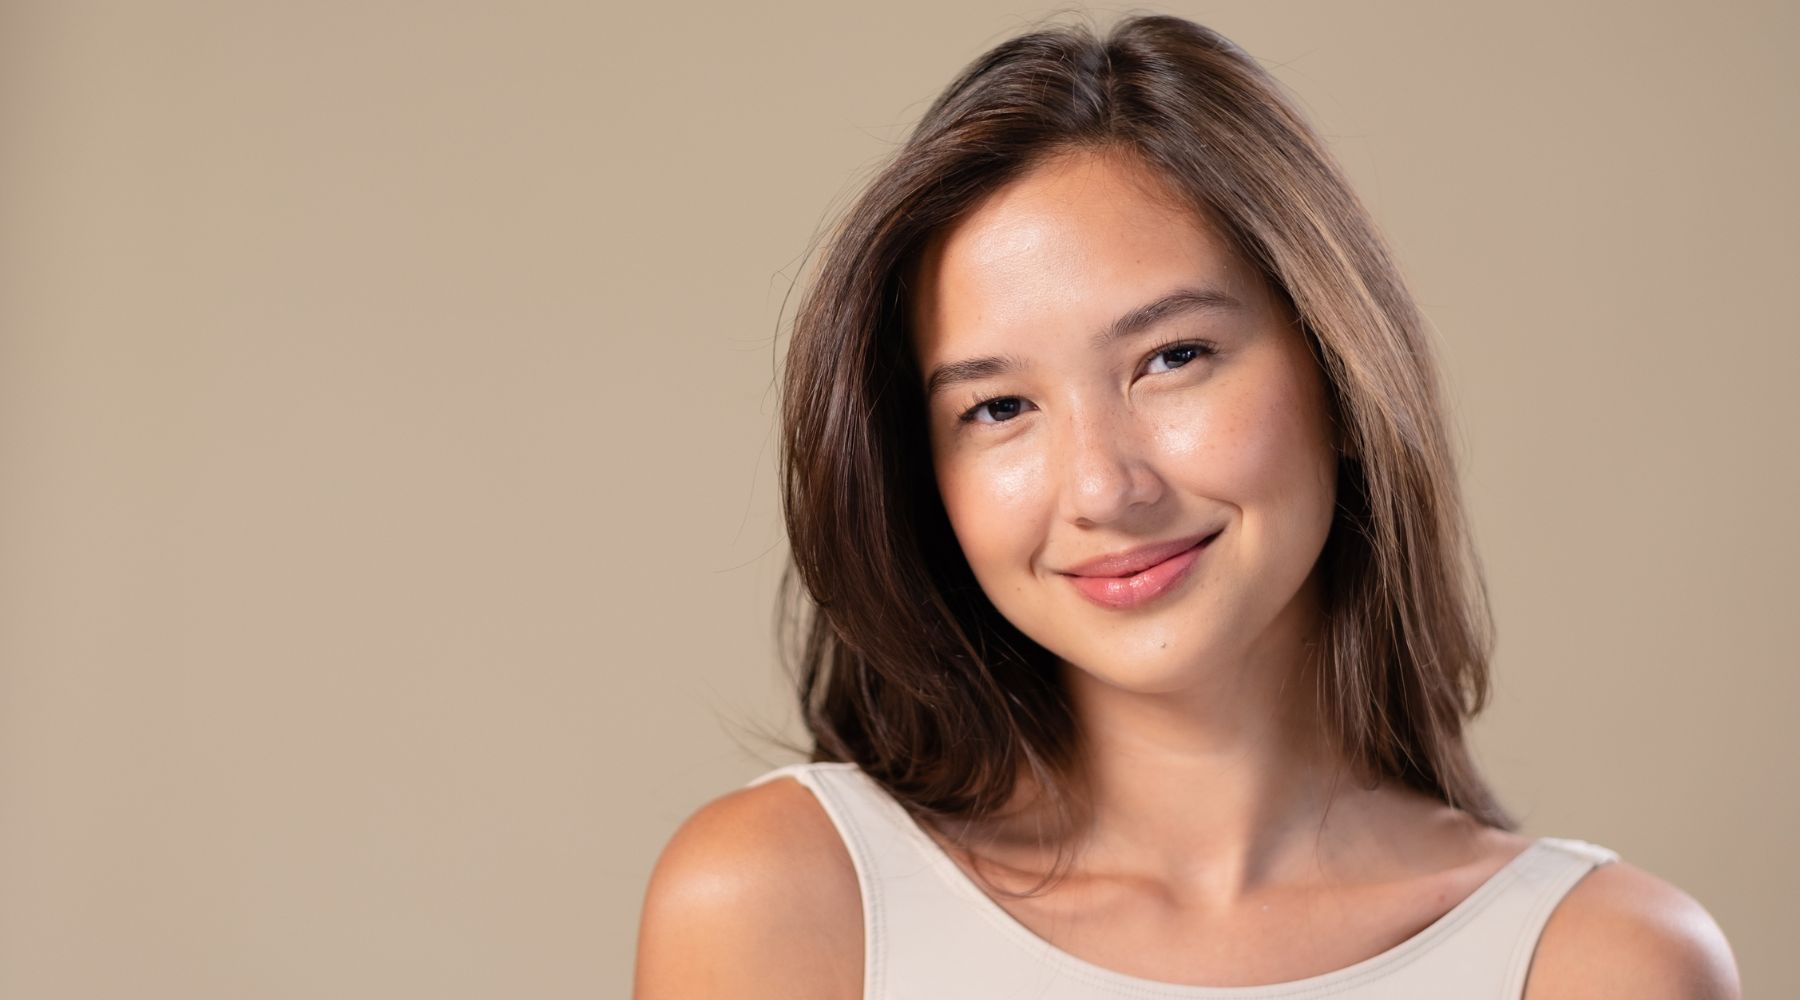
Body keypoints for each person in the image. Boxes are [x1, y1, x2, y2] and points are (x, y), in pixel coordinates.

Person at [633, 14, 1740, 999]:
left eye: (1172, 357)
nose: (1107, 487)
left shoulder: (1602, 964)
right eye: (999, 406)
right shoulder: (782, 903)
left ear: (1334, 363)